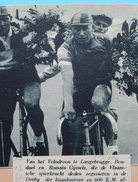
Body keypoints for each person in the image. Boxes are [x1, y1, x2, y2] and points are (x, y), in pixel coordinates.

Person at [0, 6, 48, 166]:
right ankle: (3, 166)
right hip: (4, 83)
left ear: (10, 19)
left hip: (27, 77)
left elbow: (39, 46)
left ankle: (38, 138)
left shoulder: (21, 32)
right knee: (4, 127)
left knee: (31, 102)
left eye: (5, 19)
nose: (2, 23)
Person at [57, 12, 118, 155]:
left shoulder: (105, 41)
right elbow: (67, 78)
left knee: (97, 102)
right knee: (68, 130)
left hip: (99, 86)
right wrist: (68, 105)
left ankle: (112, 143)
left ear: (92, 27)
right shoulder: (65, 48)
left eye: (85, 28)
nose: (82, 33)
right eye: (77, 29)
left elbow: (117, 60)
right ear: (71, 30)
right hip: (77, 88)